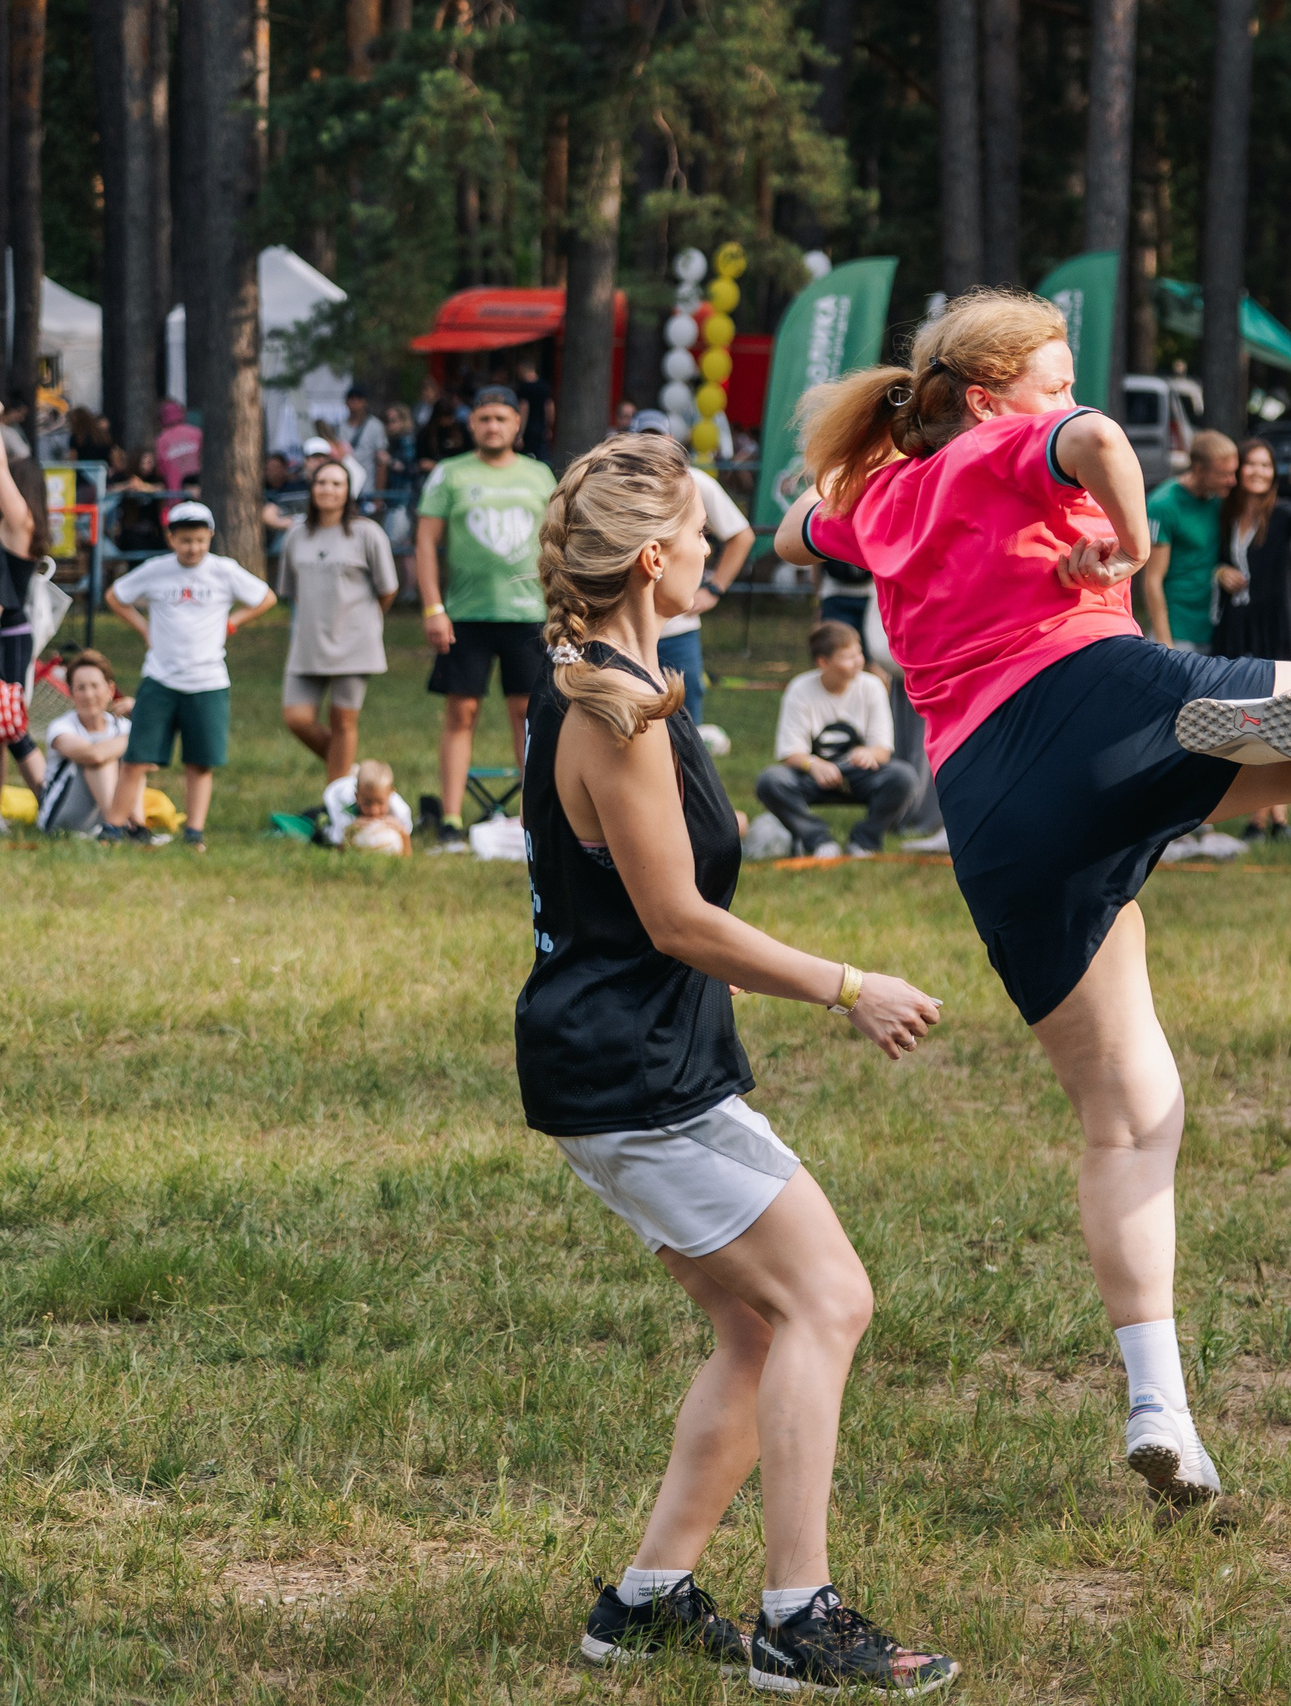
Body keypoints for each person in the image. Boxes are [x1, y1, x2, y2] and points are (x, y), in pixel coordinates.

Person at [775, 288, 1291, 1506]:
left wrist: (858, 478)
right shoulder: (1007, 441)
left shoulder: (882, 500)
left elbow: (791, 535)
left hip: (995, 809)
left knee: (1131, 1114)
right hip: (1094, 692)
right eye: (1054, 371)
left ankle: (1162, 1411)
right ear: (984, 396)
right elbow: (1098, 443)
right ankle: (1230, 731)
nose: (1070, 391)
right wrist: (1124, 543)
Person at [520, 432, 955, 1693]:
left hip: (636, 1059)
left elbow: (708, 540)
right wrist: (847, 984)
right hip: (631, 1076)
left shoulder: (611, 674)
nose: (723, 548)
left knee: (756, 1328)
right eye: (703, 534)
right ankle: (796, 1615)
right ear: (655, 559)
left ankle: (645, 1598)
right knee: (829, 1299)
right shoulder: (615, 713)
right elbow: (679, 923)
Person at [416, 384, 556, 850]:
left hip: (529, 615)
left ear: (518, 423)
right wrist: (434, 606)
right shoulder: (449, 474)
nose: (492, 426)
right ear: (470, 424)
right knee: (462, 712)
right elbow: (425, 544)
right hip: (465, 616)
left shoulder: (540, 476)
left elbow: (558, 544)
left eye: (501, 418)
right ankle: (451, 818)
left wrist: (560, 606)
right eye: (483, 418)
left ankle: (532, 818)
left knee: (528, 715)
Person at [103, 502, 277, 850]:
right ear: (171, 538)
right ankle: (113, 828)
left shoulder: (223, 571)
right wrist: (143, 628)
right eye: (185, 540)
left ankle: (194, 832)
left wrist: (234, 622)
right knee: (137, 758)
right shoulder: (156, 571)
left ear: (210, 536)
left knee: (200, 761)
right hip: (160, 678)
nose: (193, 547)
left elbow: (265, 597)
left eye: (199, 540)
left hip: (208, 681)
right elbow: (116, 596)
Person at [1212, 439, 1291, 840]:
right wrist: (1219, 573)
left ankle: (1277, 819)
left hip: (1277, 629)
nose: (1258, 472)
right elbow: (1211, 559)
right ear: (1239, 471)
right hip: (1237, 628)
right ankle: (1257, 817)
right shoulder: (1226, 515)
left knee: (1278, 721)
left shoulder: (1282, 513)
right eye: (1251, 465)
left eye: (1265, 465)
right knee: (1247, 721)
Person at [756, 620, 919, 859]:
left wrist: (870, 753)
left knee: (902, 776)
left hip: (859, 774)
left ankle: (865, 841)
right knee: (771, 780)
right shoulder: (800, 689)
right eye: (847, 657)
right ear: (823, 662)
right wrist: (813, 764)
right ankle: (818, 840)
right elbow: (789, 752)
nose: (858, 662)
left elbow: (883, 749)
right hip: (813, 775)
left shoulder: (872, 686)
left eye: (859, 653)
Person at [279, 459, 399, 781]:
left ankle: (336, 798)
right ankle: (350, 775)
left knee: (343, 721)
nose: (328, 490)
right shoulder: (296, 535)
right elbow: (293, 590)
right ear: (311, 488)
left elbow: (388, 589)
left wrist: (366, 620)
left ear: (349, 492)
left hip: (355, 642)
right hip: (307, 642)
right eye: (321, 482)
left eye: (336, 484)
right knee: (296, 718)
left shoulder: (367, 533)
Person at [633, 411, 754, 729]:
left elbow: (741, 535)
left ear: (672, 441)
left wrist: (714, 589)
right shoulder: (620, 488)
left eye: (658, 436)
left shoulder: (696, 483)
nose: (653, 445)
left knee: (686, 726)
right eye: (644, 437)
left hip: (677, 630)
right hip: (626, 627)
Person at [0, 400, 46, 831]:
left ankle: (53, 798)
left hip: (4, 635)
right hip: (4, 633)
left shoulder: (17, 522)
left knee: (8, 726)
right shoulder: (11, 528)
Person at [1141, 429, 1239, 650]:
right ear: (1199, 469)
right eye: (1224, 474)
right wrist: (1165, 641)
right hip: (1177, 629)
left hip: (1213, 626)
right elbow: (1152, 580)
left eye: (1233, 472)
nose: (1232, 481)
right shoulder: (1163, 505)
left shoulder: (1219, 501)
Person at [39, 650, 132, 834]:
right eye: (81, 688)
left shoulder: (122, 725)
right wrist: (134, 739)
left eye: (94, 686)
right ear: (71, 693)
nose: (89, 695)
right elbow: (94, 755)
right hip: (63, 817)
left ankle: (136, 826)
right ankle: (117, 827)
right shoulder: (60, 727)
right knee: (98, 751)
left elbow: (149, 763)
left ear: (110, 690)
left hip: (104, 813)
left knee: (133, 763)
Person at [342, 388, 390, 494]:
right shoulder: (340, 427)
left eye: (358, 399)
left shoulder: (375, 426)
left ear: (365, 402)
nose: (354, 402)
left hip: (368, 488)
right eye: (351, 399)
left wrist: (378, 496)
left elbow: (381, 462)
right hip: (344, 487)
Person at [512, 357, 554, 461]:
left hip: (528, 430)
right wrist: (549, 426)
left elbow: (524, 409)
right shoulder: (544, 385)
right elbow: (549, 407)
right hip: (541, 429)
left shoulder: (524, 387)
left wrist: (520, 433)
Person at [154, 399, 202, 490]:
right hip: (199, 490)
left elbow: (160, 469)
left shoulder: (162, 440)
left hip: (175, 493)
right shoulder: (196, 432)